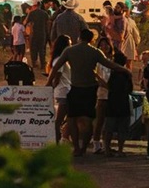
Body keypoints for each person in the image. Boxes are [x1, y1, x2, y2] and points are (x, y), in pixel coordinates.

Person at [46, 29, 130, 157]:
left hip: (75, 87)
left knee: (72, 119)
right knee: (88, 120)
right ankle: (84, 147)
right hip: (90, 89)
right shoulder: (95, 52)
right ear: (91, 39)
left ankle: (76, 148)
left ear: (79, 37)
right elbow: (110, 64)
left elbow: (55, 68)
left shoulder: (70, 50)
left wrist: (48, 83)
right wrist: (124, 70)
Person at [103, 51, 134, 156]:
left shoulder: (111, 73)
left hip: (112, 102)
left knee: (109, 128)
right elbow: (130, 89)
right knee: (122, 129)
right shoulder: (127, 74)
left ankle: (107, 149)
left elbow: (108, 86)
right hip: (123, 102)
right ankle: (120, 150)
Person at [50, 36, 72, 143]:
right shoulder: (60, 60)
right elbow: (57, 77)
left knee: (68, 118)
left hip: (64, 91)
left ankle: (63, 137)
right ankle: (57, 140)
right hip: (63, 92)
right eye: (69, 44)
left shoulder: (62, 59)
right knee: (59, 120)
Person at [26, 1, 50, 71]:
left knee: (34, 49)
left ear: (35, 6)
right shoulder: (45, 13)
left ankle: (34, 63)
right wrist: (47, 32)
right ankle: (42, 64)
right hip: (42, 33)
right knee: (41, 49)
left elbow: (27, 22)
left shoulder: (32, 13)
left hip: (34, 33)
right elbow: (48, 23)